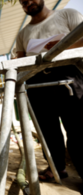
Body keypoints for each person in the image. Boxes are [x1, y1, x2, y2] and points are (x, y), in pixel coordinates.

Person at [16, 0, 83, 182]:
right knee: (48, 130)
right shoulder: (23, 34)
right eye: (23, 1)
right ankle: (56, 168)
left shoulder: (67, 15)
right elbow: (19, 62)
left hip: (69, 74)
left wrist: (63, 45)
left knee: (77, 128)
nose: (28, 2)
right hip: (37, 81)